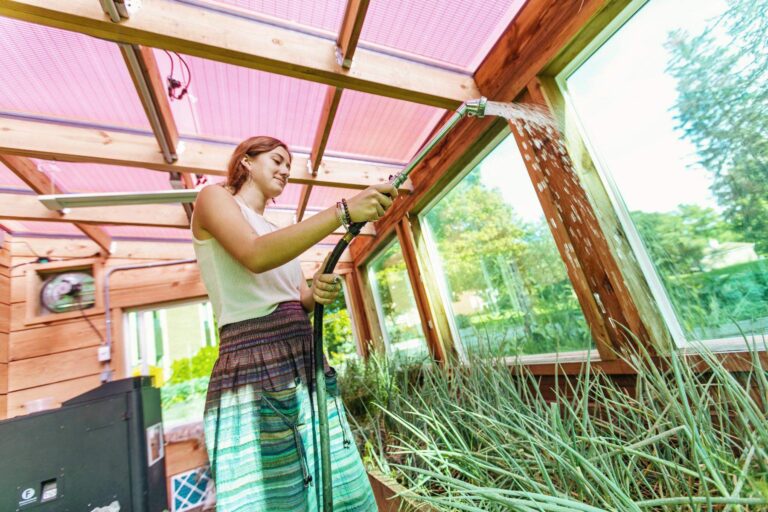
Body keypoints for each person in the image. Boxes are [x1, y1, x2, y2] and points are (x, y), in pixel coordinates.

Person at [191, 135, 396, 511]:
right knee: (278, 494)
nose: (287, 170)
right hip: (255, 364)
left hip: (304, 358)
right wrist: (344, 211)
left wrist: (317, 288)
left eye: (289, 165)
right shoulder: (213, 198)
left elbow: (298, 297)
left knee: (334, 482)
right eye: (278, 159)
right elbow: (253, 255)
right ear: (246, 161)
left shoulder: (276, 228)